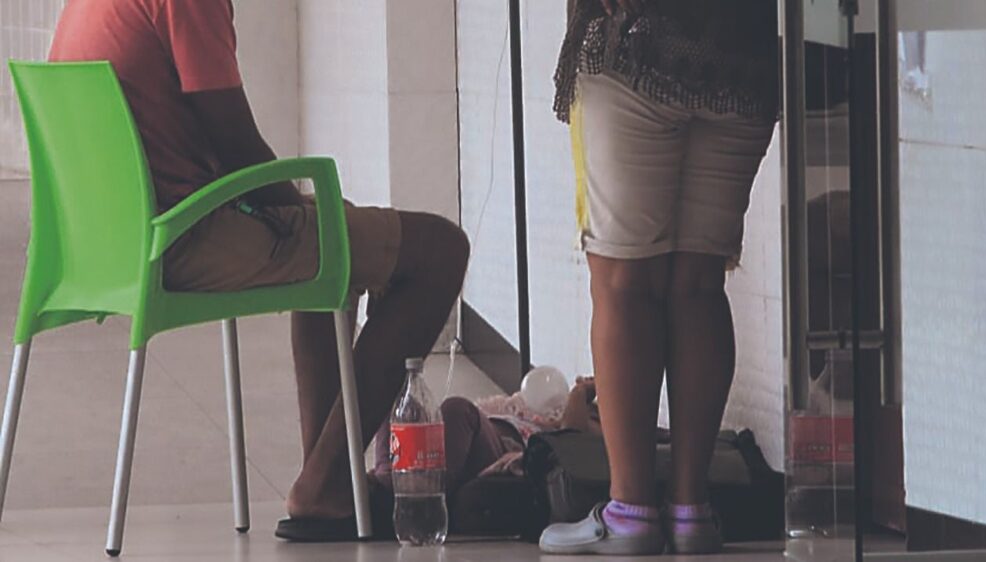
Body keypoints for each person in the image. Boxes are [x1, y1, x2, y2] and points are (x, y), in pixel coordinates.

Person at [49, 0, 469, 542]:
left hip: (109, 245)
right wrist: (305, 209)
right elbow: (236, 145)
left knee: (330, 237)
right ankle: (325, 485)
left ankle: (330, 485)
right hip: (184, 237)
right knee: (439, 251)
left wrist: (308, 213)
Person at [540, 0, 780, 555]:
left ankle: (630, 512)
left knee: (624, 285)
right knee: (699, 286)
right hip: (742, 61)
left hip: (635, 45)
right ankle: (692, 510)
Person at [372, 376, 601, 497]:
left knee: (458, 409)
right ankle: (388, 478)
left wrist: (580, 393)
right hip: (468, 440)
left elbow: (571, 442)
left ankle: (422, 491)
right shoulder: (532, 411)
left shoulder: (596, 427)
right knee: (398, 405)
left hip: (502, 449)